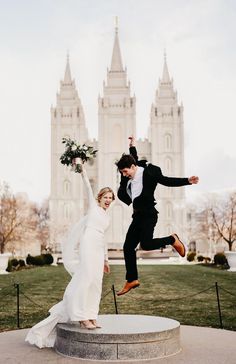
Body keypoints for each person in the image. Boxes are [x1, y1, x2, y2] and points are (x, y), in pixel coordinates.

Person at [25, 164, 115, 348]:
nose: (108, 200)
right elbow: (88, 188)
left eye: (111, 198)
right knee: (86, 279)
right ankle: (82, 318)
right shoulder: (93, 207)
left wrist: (106, 259)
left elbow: (104, 238)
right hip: (88, 246)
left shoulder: (107, 216)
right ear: (100, 198)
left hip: (98, 249)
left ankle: (91, 315)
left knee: (96, 283)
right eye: (106, 197)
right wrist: (82, 171)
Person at [116, 137, 199, 296]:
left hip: (149, 215)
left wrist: (187, 181)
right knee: (128, 247)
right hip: (137, 216)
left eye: (126, 172)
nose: (124, 175)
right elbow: (134, 157)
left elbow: (166, 181)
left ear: (133, 167)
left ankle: (172, 239)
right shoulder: (134, 166)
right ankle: (132, 279)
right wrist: (132, 146)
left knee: (146, 245)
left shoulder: (150, 171)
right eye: (122, 173)